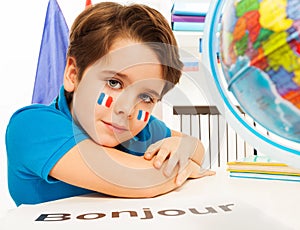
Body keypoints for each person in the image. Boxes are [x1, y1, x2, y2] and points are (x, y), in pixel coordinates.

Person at [5, 2, 214, 207]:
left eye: (146, 97)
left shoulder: (139, 131)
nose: (127, 109)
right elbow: (139, 179)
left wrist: (181, 148)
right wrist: (181, 165)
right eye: (114, 83)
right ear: (73, 74)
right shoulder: (31, 126)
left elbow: (194, 145)